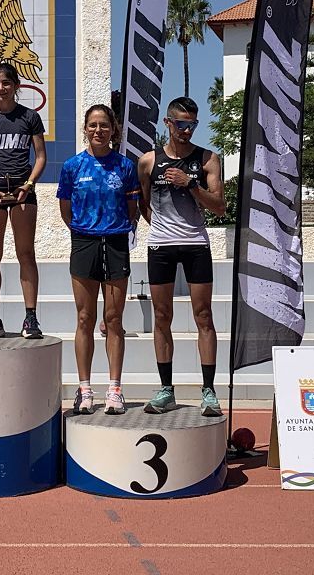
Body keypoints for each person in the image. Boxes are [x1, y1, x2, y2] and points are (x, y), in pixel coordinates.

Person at [137, 97, 226, 416]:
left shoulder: (208, 159)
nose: (187, 130)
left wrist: (191, 185)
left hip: (195, 244)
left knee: (204, 316)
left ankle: (209, 391)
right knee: (162, 317)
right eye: (182, 124)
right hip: (161, 244)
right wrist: (162, 228)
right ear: (168, 123)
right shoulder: (148, 161)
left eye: (193, 125)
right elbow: (144, 205)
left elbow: (219, 206)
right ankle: (166, 390)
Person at [58, 104, 140, 415]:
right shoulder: (72, 166)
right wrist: (84, 230)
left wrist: (116, 228)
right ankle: (85, 389)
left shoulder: (125, 166)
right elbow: (66, 208)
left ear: (113, 129)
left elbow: (132, 209)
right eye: (92, 125)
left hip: (116, 241)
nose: (98, 130)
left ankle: (115, 390)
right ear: (85, 129)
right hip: (83, 241)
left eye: (104, 125)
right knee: (84, 318)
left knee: (115, 319)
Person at [0, 63, 47, 340]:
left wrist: (29, 184)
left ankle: (31, 318)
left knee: (26, 253)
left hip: (23, 192)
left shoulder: (29, 117)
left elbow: (40, 157)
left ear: (16, 86)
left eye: (5, 83)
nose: (0, 89)